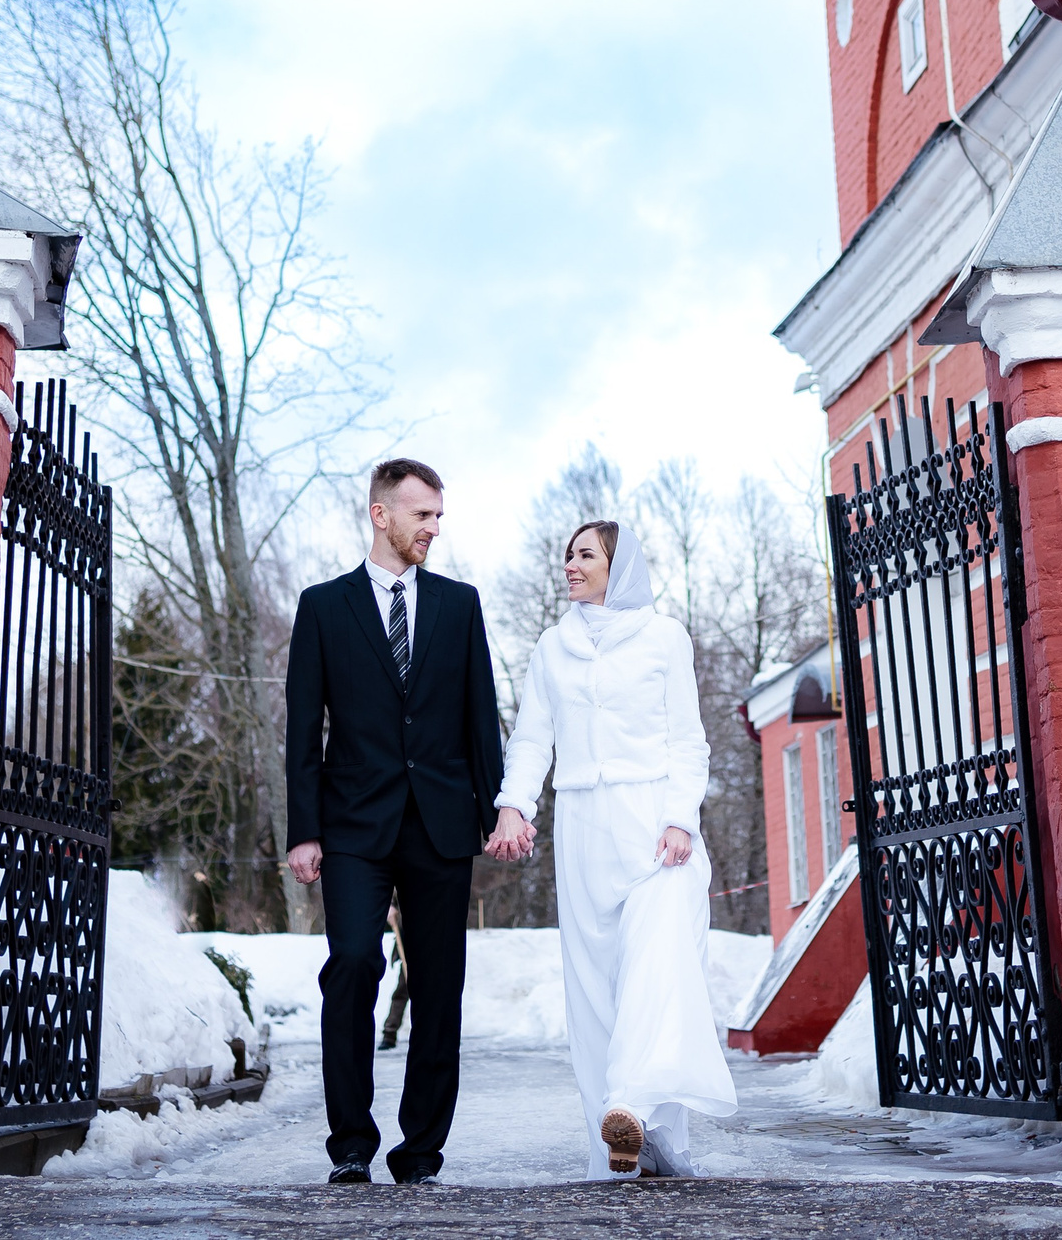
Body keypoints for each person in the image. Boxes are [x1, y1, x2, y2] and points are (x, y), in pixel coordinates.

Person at [486, 520, 736, 1177]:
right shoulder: (550, 647)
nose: (570, 564)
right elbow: (533, 739)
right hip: (581, 828)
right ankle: (622, 1135)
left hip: (656, 826)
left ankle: (631, 1101)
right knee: (592, 986)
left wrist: (682, 816)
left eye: (585, 554)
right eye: (566, 553)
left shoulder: (663, 638)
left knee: (656, 964)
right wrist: (514, 804)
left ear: (618, 566)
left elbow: (689, 740)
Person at [285, 458, 504, 1186]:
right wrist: (303, 828)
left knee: (439, 984)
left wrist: (499, 806)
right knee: (353, 963)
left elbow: (481, 720)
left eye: (439, 515)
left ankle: (420, 1150)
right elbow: (300, 728)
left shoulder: (460, 604)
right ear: (381, 513)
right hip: (351, 823)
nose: (434, 528)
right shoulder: (322, 606)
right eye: (422, 514)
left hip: (442, 821)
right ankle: (351, 1140)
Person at [379, 900, 411, 1051]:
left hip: (430, 939)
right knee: (403, 989)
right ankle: (390, 1033)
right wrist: (390, 906)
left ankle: (440, 1030)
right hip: (407, 939)